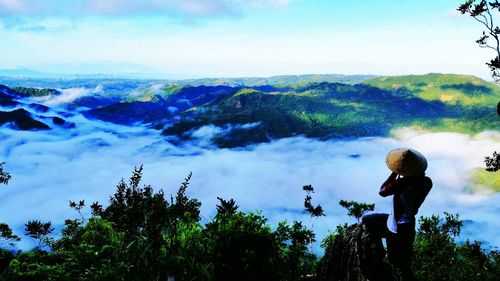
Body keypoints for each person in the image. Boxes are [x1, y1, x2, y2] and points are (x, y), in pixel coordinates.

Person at [362, 148, 432, 281]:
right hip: (408, 225)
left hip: (396, 228)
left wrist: (395, 172)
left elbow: (382, 191)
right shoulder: (427, 182)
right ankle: (380, 252)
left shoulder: (403, 184)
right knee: (404, 263)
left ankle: (379, 254)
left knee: (398, 264)